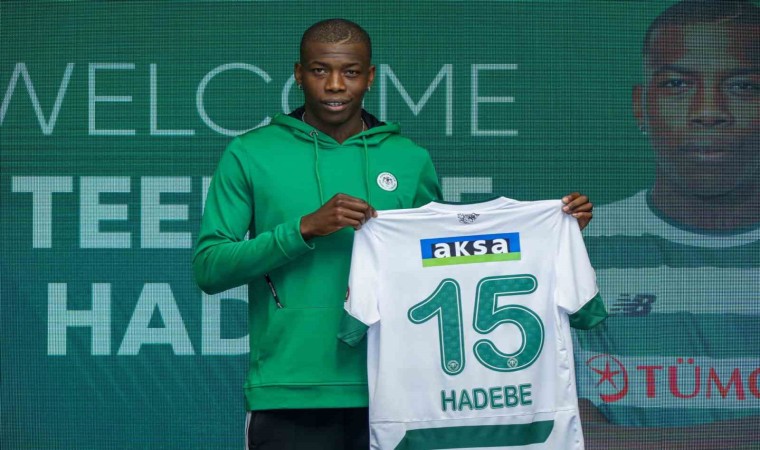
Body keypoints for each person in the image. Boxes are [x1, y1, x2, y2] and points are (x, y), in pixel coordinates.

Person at [193, 18, 594, 450]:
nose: (334, 85)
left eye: (350, 72)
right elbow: (210, 268)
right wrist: (304, 228)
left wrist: (551, 236)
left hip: (402, 391)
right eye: (320, 70)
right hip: (291, 387)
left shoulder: (407, 158)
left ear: (369, 76)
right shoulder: (250, 153)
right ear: (298, 74)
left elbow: (446, 260)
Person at [575, 1, 760, 448]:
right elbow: (566, 436)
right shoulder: (577, 251)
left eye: (742, 86)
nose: (709, 111)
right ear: (641, 107)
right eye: (677, 84)